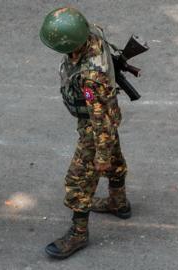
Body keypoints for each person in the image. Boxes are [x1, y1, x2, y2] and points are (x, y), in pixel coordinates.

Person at [39, 6, 132, 259]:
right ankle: (118, 202)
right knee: (114, 156)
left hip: (95, 127)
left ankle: (78, 233)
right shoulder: (91, 33)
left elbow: (99, 119)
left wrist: (100, 154)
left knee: (78, 180)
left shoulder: (91, 78)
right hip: (107, 116)